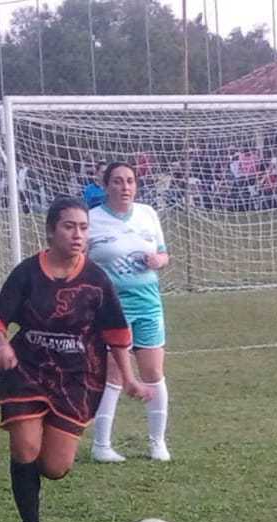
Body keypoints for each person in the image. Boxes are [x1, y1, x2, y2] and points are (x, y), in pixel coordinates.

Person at [0, 196, 151, 522]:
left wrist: (131, 378)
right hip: (26, 370)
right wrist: (1, 345)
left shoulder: (96, 279)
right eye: (69, 226)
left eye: (84, 228)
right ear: (50, 230)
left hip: (77, 378)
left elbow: (117, 334)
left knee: (56, 467)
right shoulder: (27, 272)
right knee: (25, 447)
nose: (78, 234)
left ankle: (38, 464)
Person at [86, 161, 173, 463]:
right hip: (110, 308)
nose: (125, 187)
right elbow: (77, 261)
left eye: (130, 181)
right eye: (118, 181)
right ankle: (101, 445)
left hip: (149, 303)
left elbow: (164, 253)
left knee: (153, 372)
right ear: (105, 185)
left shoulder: (148, 214)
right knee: (113, 375)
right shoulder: (91, 219)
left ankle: (157, 443)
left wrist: (158, 261)